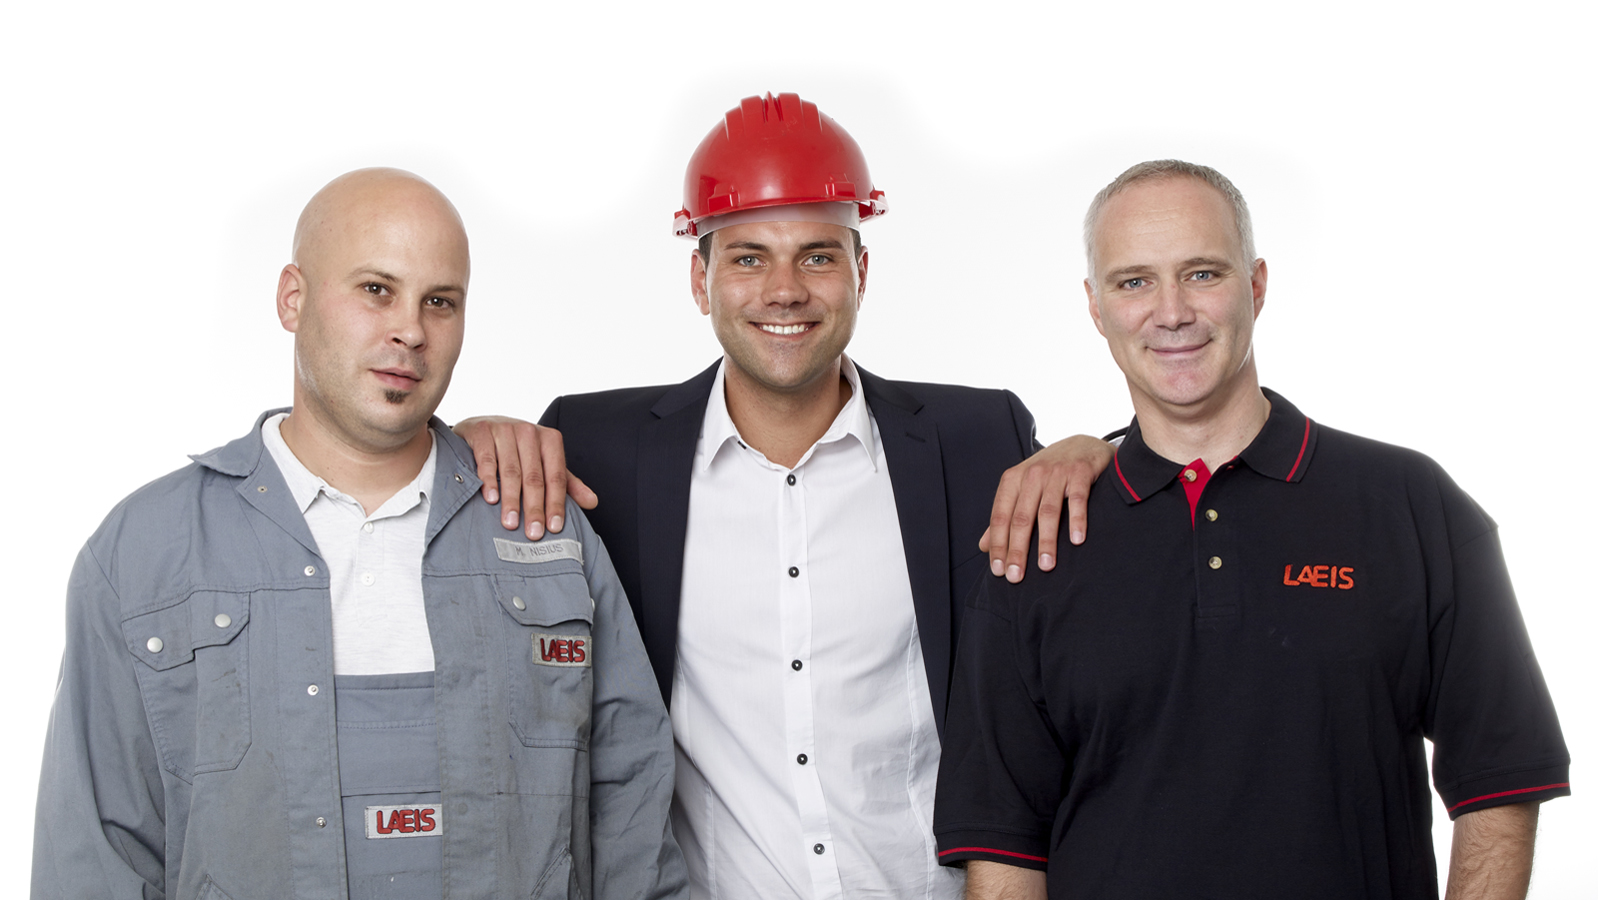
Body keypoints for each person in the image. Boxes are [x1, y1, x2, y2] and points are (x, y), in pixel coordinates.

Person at [455, 93, 1114, 899]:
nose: (784, 290)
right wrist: (468, 440)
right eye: (747, 258)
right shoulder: (598, 449)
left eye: (817, 256)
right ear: (700, 280)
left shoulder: (978, 438)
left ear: (860, 274)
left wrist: (1104, 449)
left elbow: (1098, 561)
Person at [31, 168, 686, 900]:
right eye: (377, 289)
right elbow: (93, 855)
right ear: (293, 297)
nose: (411, 330)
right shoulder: (145, 550)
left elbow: (634, 815)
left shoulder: (545, 533)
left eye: (440, 302)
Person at [932, 160, 1570, 900]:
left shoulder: (1409, 503)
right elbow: (1005, 847)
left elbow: (1499, 782)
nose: (1171, 311)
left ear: (1257, 284)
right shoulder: (1037, 537)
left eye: (1202, 274)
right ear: (1096, 307)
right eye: (1134, 282)